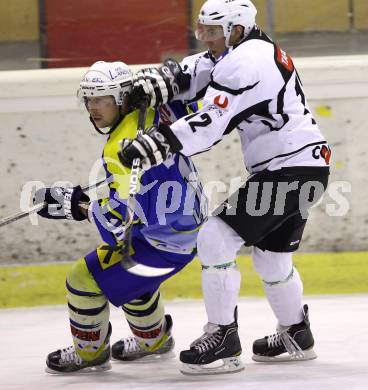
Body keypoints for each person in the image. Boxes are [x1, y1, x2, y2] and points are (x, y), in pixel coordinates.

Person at [118, 0, 331, 375]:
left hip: (290, 170)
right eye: (202, 30)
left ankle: (222, 338)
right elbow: (198, 70)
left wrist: (159, 141)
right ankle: (296, 333)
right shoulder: (249, 49)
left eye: (213, 32)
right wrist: (159, 83)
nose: (206, 39)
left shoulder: (246, 61)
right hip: (306, 167)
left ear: (236, 29)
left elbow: (211, 122)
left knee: (215, 237)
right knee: (271, 256)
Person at [33, 60, 206, 374]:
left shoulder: (120, 147)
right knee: (130, 280)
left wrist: (75, 206)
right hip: (184, 228)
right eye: (89, 98)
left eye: (101, 99)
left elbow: (117, 227)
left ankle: (89, 354)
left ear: (124, 98)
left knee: (83, 278)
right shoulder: (160, 109)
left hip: (162, 244)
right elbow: (197, 104)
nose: (92, 107)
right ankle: (153, 341)